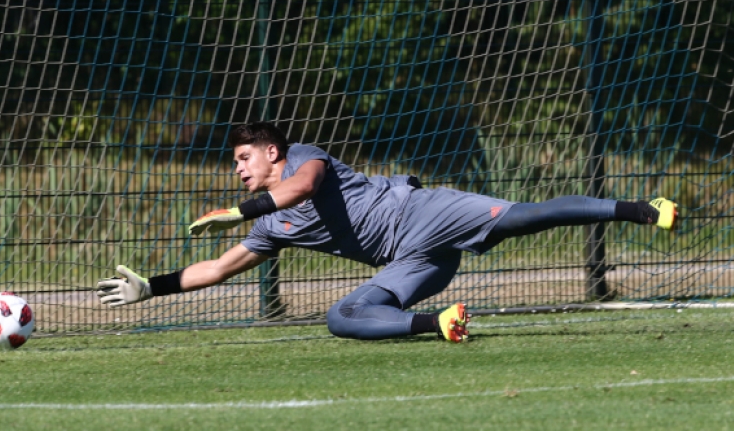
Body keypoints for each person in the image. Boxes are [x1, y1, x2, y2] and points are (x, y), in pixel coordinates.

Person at [96, 122, 679, 342]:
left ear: (271, 151)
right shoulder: (271, 222)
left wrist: (236, 211)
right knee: (341, 316)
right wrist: (153, 287)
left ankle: (638, 209)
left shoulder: (305, 158)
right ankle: (439, 323)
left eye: (245, 158)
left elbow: (299, 189)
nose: (240, 168)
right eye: (236, 164)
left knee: (522, 218)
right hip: (413, 260)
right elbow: (219, 269)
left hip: (422, 214)